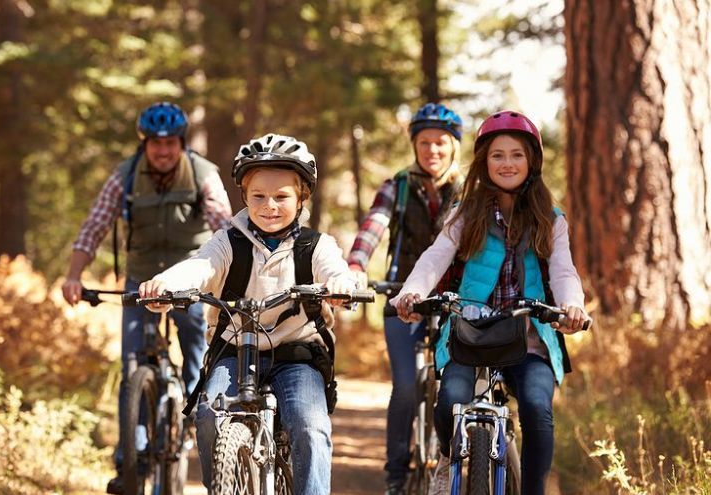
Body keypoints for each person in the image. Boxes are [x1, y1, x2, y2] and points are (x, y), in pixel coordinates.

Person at [140, 133, 357, 495]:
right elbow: (198, 267)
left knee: (310, 425)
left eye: (282, 196)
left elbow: (335, 271)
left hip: (297, 355)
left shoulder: (315, 246)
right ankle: (223, 486)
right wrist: (163, 284)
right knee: (209, 413)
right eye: (258, 196)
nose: (269, 205)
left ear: (302, 197)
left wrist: (341, 288)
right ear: (244, 196)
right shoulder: (228, 241)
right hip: (234, 352)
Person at [391, 110, 590, 495]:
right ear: (484, 162)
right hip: (469, 334)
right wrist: (412, 292)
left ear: (532, 160)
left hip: (528, 335)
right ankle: (448, 462)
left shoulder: (550, 217)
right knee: (450, 401)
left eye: (516, 154)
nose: (507, 163)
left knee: (536, 408)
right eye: (497, 155)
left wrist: (571, 306)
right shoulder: (466, 212)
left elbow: (564, 272)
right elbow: (436, 256)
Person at [60, 102, 232, 494]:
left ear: (181, 143)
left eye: (170, 143)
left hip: (189, 276)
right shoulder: (124, 176)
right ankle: (130, 463)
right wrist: (73, 275)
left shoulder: (203, 174)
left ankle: (192, 416)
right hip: (140, 278)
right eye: (155, 144)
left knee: (195, 343)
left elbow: (225, 226)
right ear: (145, 144)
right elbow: (94, 227)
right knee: (132, 363)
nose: (163, 151)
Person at [346, 102, 464, 494]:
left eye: (441, 143)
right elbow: (373, 227)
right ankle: (396, 475)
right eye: (424, 142)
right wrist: (357, 265)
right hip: (401, 295)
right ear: (414, 145)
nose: (432, 150)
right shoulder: (396, 186)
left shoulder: (470, 189)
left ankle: (459, 464)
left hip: (455, 298)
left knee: (456, 386)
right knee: (406, 387)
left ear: (454, 147)